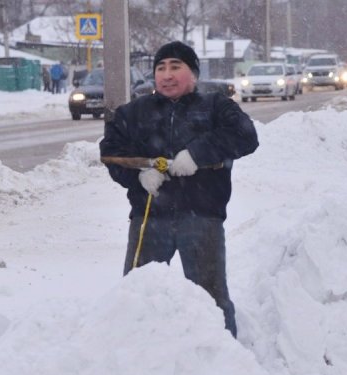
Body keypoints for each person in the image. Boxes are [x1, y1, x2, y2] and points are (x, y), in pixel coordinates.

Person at [99, 41, 259, 338]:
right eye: (161, 68)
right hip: (149, 218)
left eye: (176, 67)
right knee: (136, 296)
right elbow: (111, 152)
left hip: (202, 217)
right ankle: (131, 356)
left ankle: (225, 360)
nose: (167, 75)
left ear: (193, 75)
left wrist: (198, 154)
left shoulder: (214, 106)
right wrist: (138, 178)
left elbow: (246, 137)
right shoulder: (133, 113)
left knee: (210, 298)